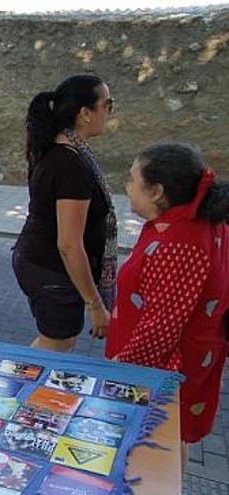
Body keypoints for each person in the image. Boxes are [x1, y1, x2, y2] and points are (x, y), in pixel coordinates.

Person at [106, 143, 228, 468]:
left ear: (157, 191)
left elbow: (161, 330)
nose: (127, 186)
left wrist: (117, 369)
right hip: (183, 360)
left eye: (132, 179)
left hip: (162, 368)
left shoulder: (180, 244)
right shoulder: (198, 224)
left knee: (156, 449)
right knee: (172, 439)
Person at [12, 75, 117, 352]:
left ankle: (13, 388)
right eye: (107, 105)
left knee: (56, 341)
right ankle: (12, 392)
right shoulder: (70, 164)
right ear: (85, 113)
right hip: (51, 269)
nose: (109, 112)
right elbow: (69, 244)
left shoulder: (58, 150)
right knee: (58, 343)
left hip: (40, 261)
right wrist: (94, 304)